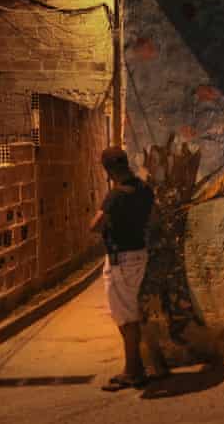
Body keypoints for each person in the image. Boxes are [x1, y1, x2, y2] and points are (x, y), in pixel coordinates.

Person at [89, 146, 155, 392]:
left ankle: (133, 372)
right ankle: (135, 368)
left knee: (126, 318)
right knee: (127, 312)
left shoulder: (116, 195)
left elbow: (95, 225)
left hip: (121, 259)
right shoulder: (145, 189)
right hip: (139, 253)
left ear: (108, 170)